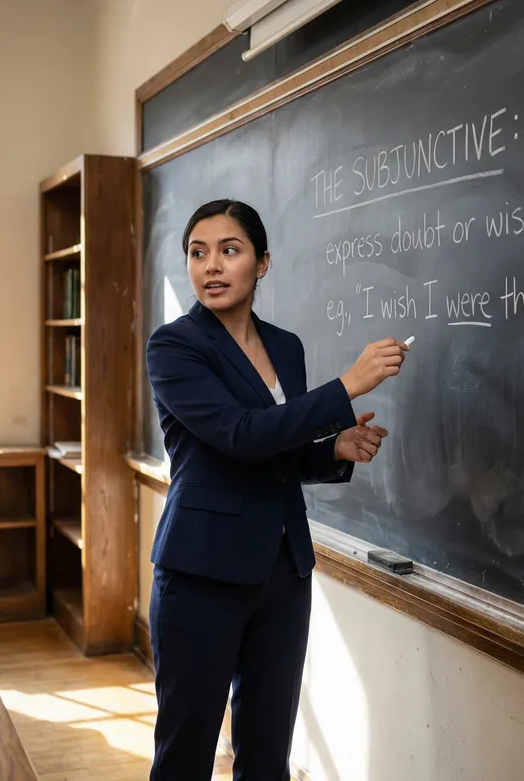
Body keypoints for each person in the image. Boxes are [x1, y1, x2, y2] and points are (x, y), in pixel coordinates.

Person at [145, 199, 409, 780]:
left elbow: (275, 452)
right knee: (184, 756)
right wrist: (348, 385)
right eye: (198, 252)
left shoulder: (285, 345)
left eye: (229, 250)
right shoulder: (174, 346)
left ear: (261, 264)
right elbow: (239, 436)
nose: (211, 265)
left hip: (283, 573)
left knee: (268, 755)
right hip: (201, 573)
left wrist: (334, 450)